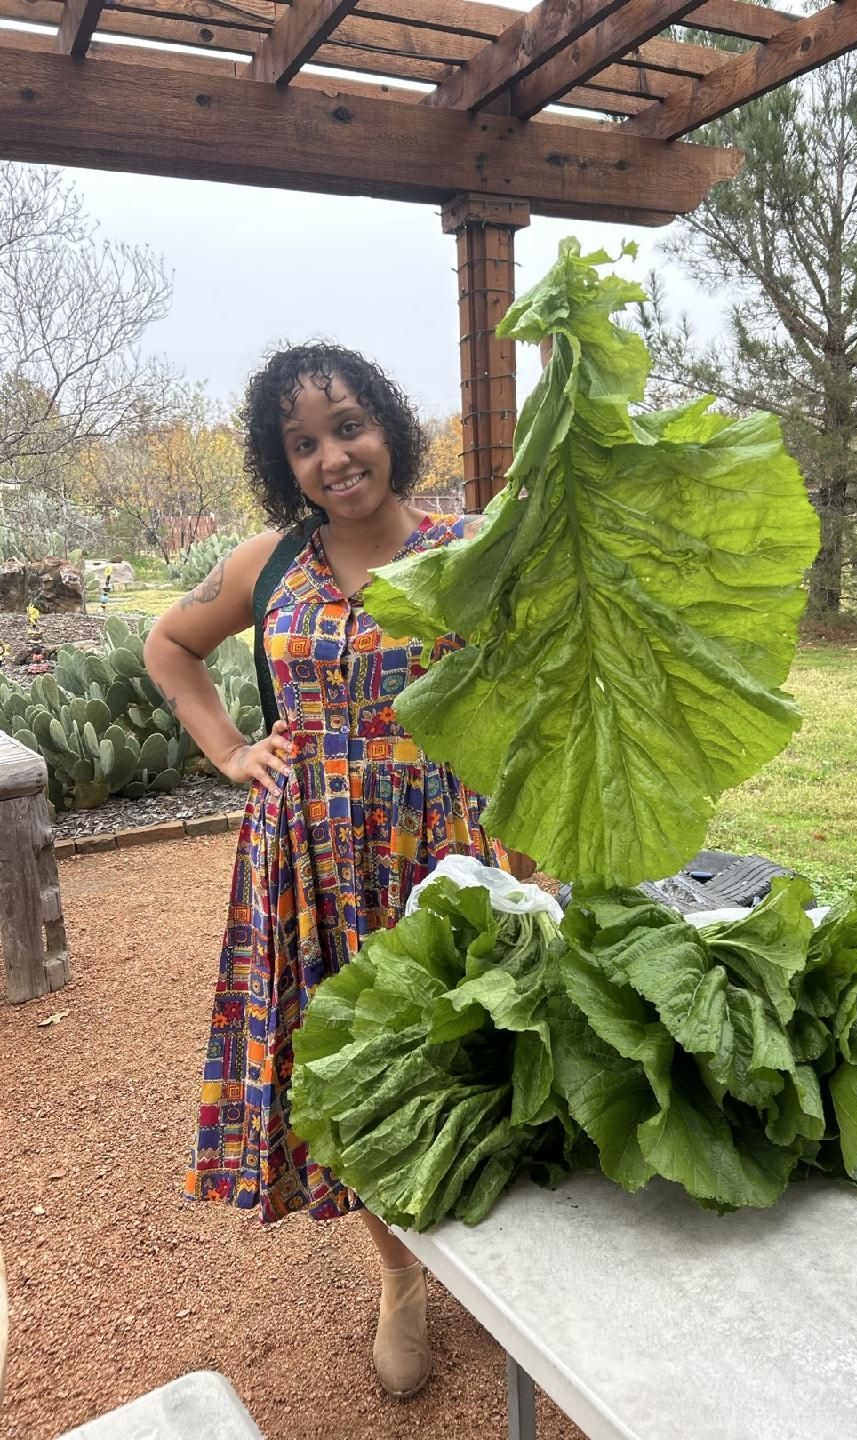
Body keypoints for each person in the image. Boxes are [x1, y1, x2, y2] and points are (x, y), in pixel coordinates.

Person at [146, 344, 520, 1399]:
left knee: (472, 1055)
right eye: (301, 443)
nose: (332, 456)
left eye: (347, 425)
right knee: (351, 1070)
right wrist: (230, 751)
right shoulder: (269, 563)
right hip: (311, 854)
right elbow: (169, 649)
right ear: (285, 466)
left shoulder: (469, 549)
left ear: (389, 426)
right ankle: (401, 1278)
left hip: (440, 847)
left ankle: (497, 1262)